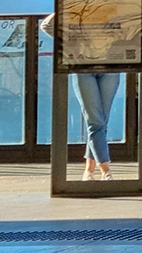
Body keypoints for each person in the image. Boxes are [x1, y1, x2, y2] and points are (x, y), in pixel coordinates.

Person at [40, 12, 120, 180]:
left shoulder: (112, 7)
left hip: (110, 67)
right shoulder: (77, 13)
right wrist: (65, 8)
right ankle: (106, 170)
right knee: (95, 121)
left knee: (101, 121)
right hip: (84, 68)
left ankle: (89, 170)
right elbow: (46, 25)